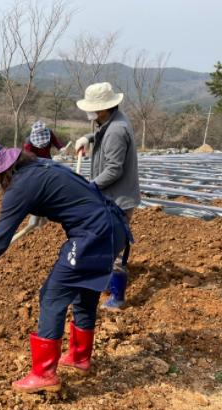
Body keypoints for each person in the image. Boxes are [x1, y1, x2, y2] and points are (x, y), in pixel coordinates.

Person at [0, 139, 132, 394]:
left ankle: (44, 374)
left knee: (52, 296)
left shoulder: (18, 188)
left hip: (93, 235)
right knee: (84, 291)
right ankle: (79, 358)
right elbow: (52, 188)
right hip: (113, 227)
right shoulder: (35, 166)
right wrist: (38, 213)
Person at [74, 82, 140, 311]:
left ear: (103, 108)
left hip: (118, 199)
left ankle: (117, 298)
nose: (89, 112)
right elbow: (101, 134)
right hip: (111, 196)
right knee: (106, 243)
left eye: (92, 108)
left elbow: (113, 170)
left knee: (113, 247)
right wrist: (88, 138)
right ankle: (106, 282)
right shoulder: (112, 121)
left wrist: (89, 187)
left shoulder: (116, 131)